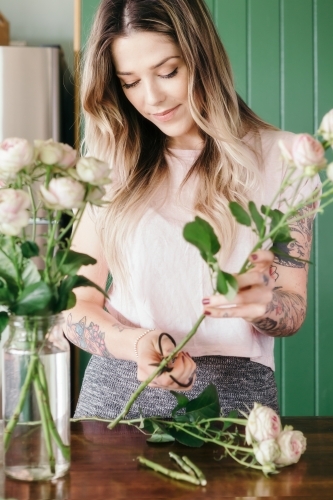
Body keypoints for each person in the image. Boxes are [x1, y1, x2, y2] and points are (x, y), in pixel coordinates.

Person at [66, 0, 319, 419]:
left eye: (168, 72)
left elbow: (292, 309)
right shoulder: (112, 162)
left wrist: (263, 306)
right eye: (129, 82)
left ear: (203, 59)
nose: (151, 98)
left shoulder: (287, 159)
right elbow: (75, 304)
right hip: (114, 401)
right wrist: (138, 343)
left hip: (236, 402)